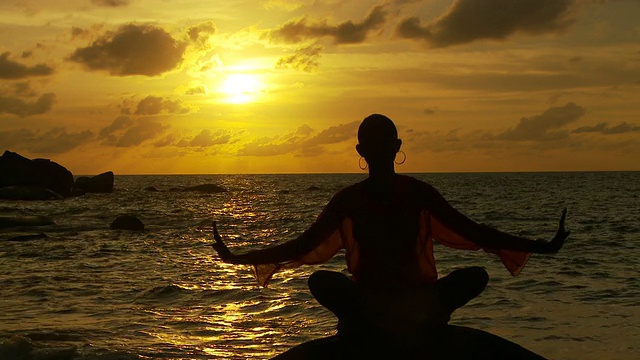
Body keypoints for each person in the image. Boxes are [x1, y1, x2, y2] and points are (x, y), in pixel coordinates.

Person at [212, 114, 569, 344]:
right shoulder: (349, 199)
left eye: (384, 143)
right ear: (362, 150)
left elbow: (474, 231)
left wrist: (540, 246)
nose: (380, 150)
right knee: (320, 281)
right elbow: (305, 244)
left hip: (414, 300)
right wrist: (240, 258)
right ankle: (386, 324)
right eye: (374, 144)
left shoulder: (417, 193)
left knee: (475, 275)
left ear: (394, 148)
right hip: (371, 301)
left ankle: (394, 324)